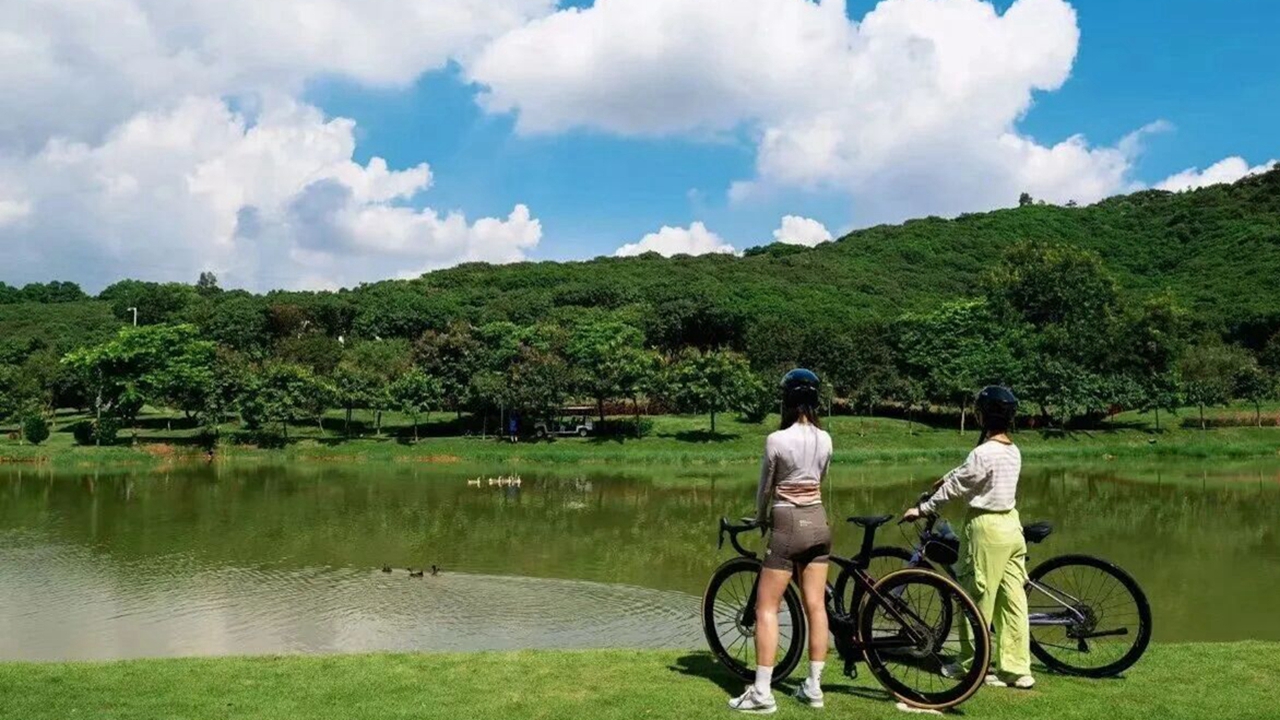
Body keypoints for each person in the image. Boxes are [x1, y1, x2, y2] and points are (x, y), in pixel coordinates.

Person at [900, 385, 1034, 689]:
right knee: (1012, 602)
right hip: (1012, 526)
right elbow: (966, 473)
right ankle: (1017, 670)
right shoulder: (1012, 451)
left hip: (986, 528)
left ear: (983, 416)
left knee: (974, 597)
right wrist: (948, 476)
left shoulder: (982, 452)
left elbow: (958, 485)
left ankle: (971, 665)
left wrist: (922, 509)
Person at [730, 368, 833, 714]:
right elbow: (820, 477)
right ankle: (814, 688)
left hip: (788, 524)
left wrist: (761, 517)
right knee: (816, 606)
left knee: (766, 608)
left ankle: (762, 692)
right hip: (819, 521)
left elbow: (765, 487)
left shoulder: (777, 439)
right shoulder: (826, 439)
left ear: (787, 400)